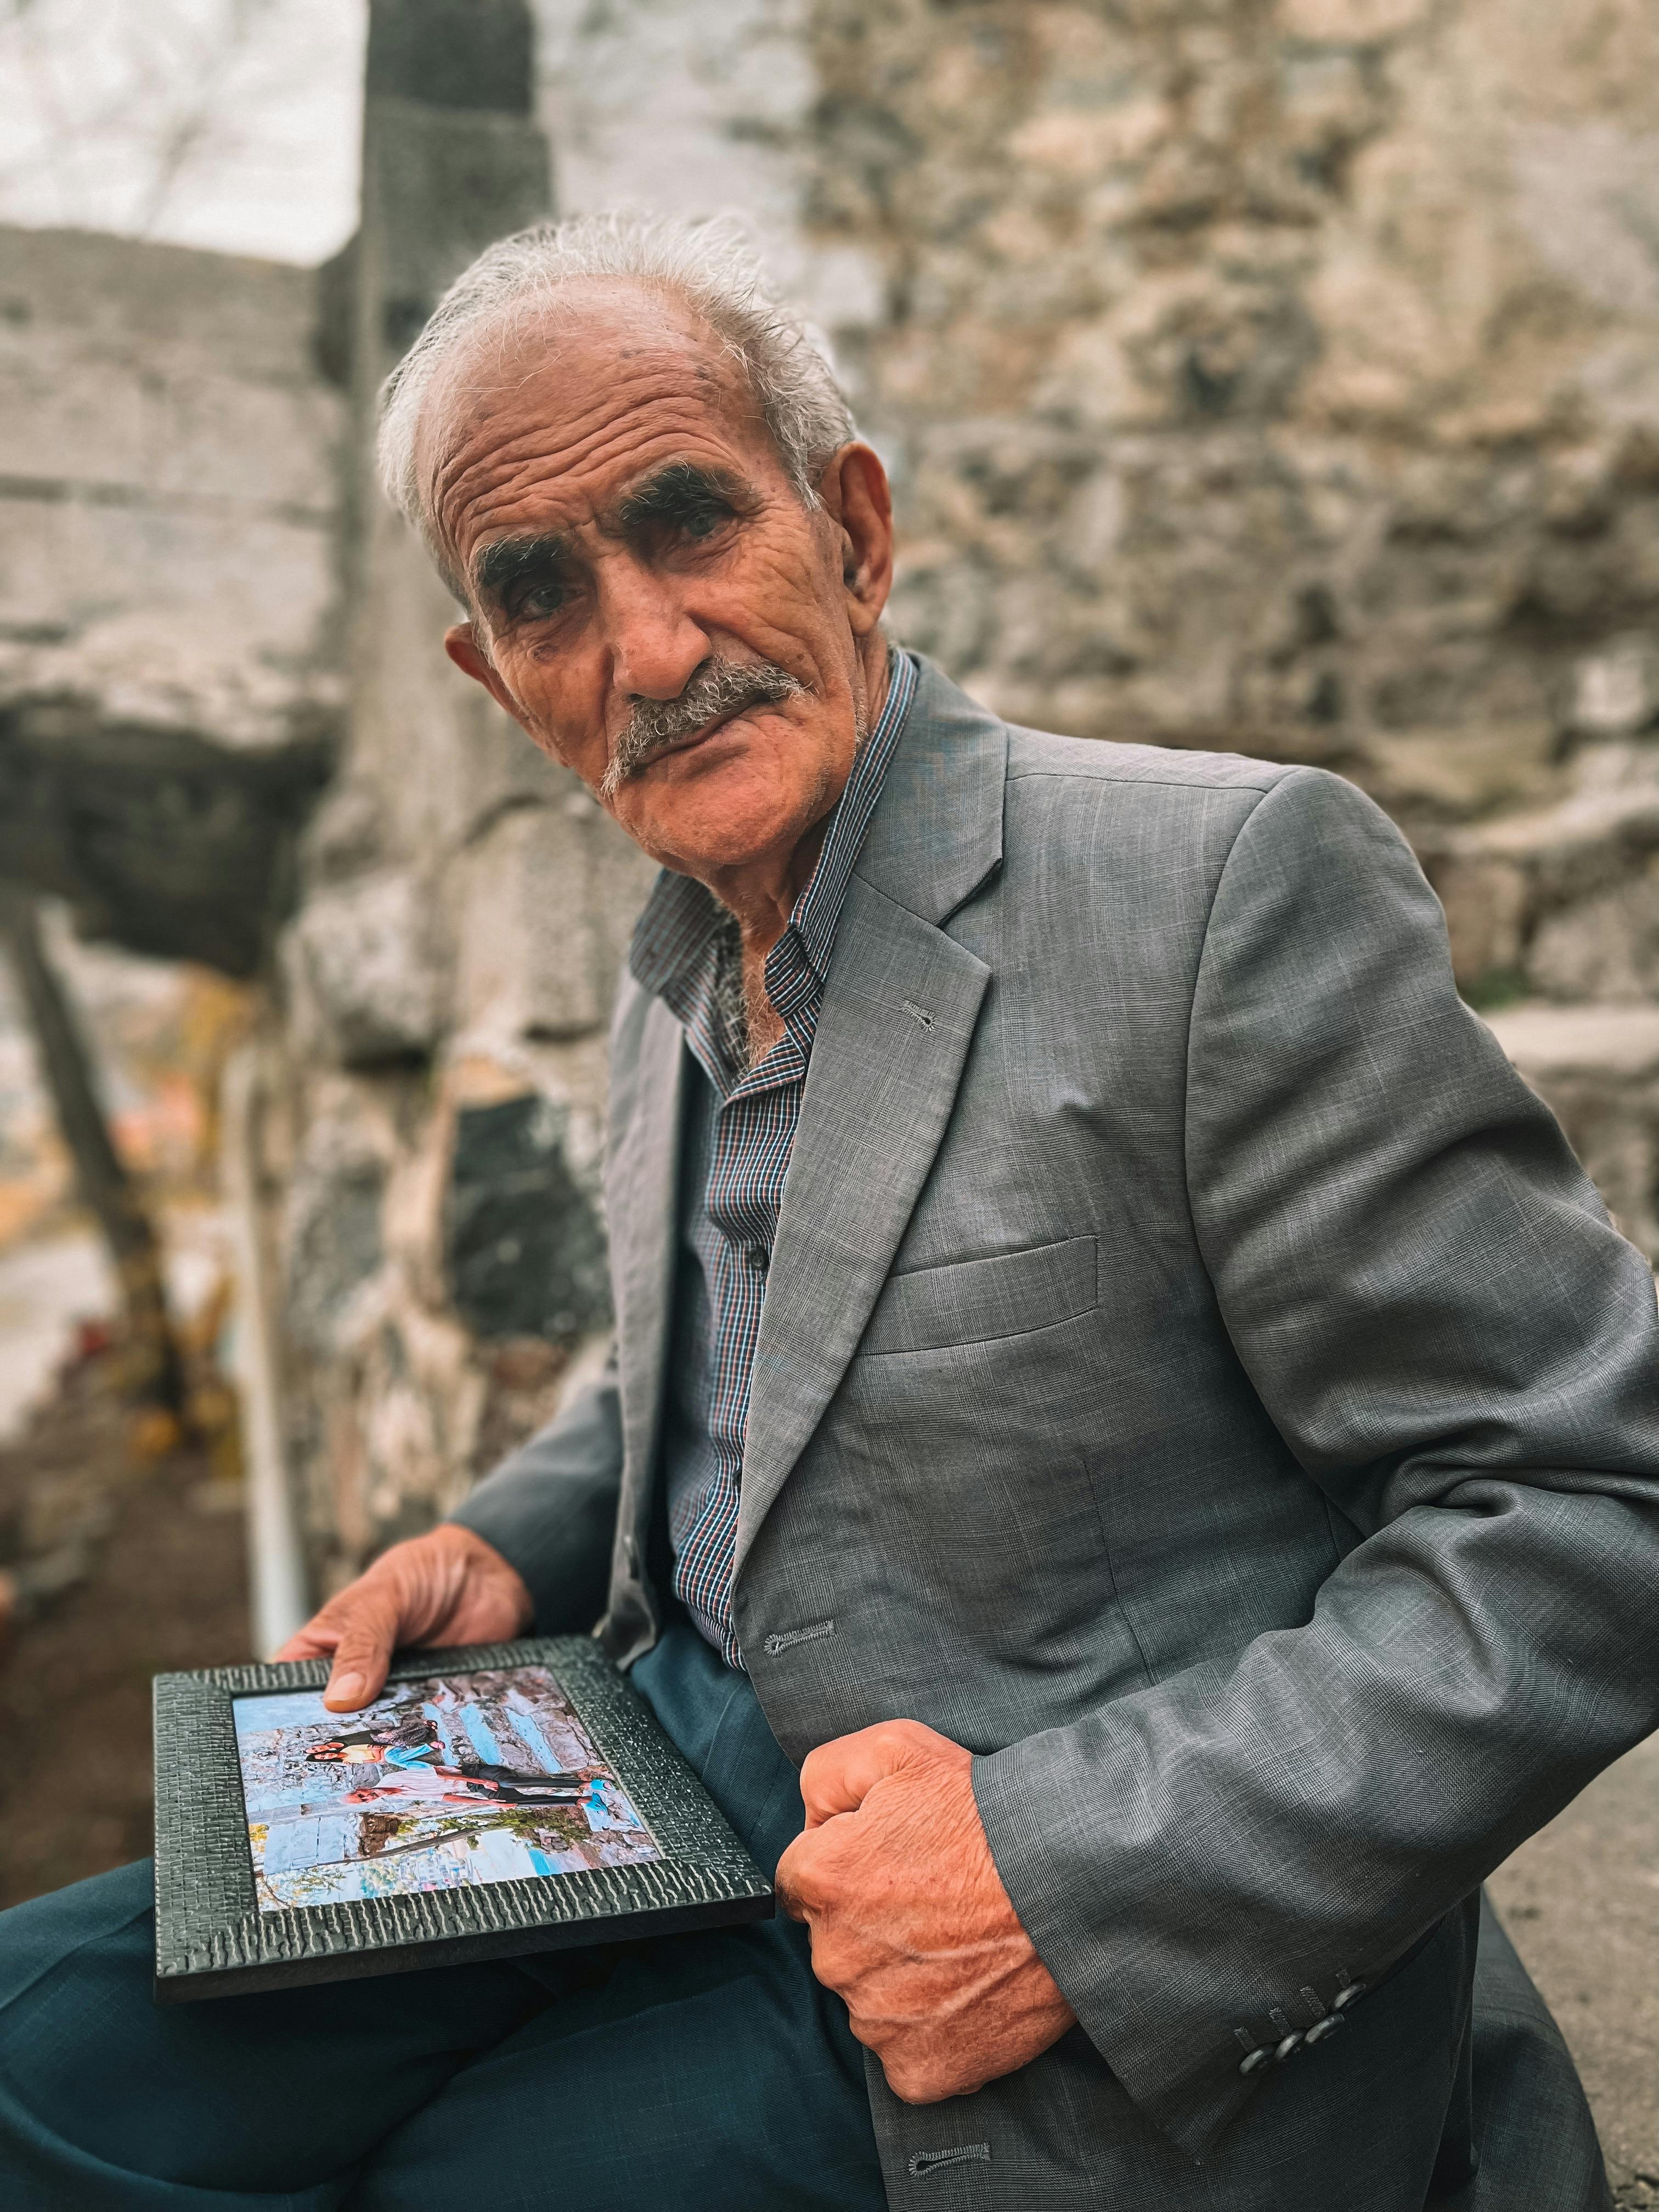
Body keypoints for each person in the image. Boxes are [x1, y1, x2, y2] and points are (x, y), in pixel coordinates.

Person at [2, 213, 1656, 2212]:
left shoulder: (1216, 894)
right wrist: (501, 1541)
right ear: (493, 675)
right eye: (541, 595)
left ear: (853, 529)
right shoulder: (678, 962)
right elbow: (718, 1375)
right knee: (47, 2054)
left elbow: (1589, 1504)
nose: (649, 652)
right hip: (633, 1779)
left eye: (689, 520)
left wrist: (1061, 1876)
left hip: (992, 1937)